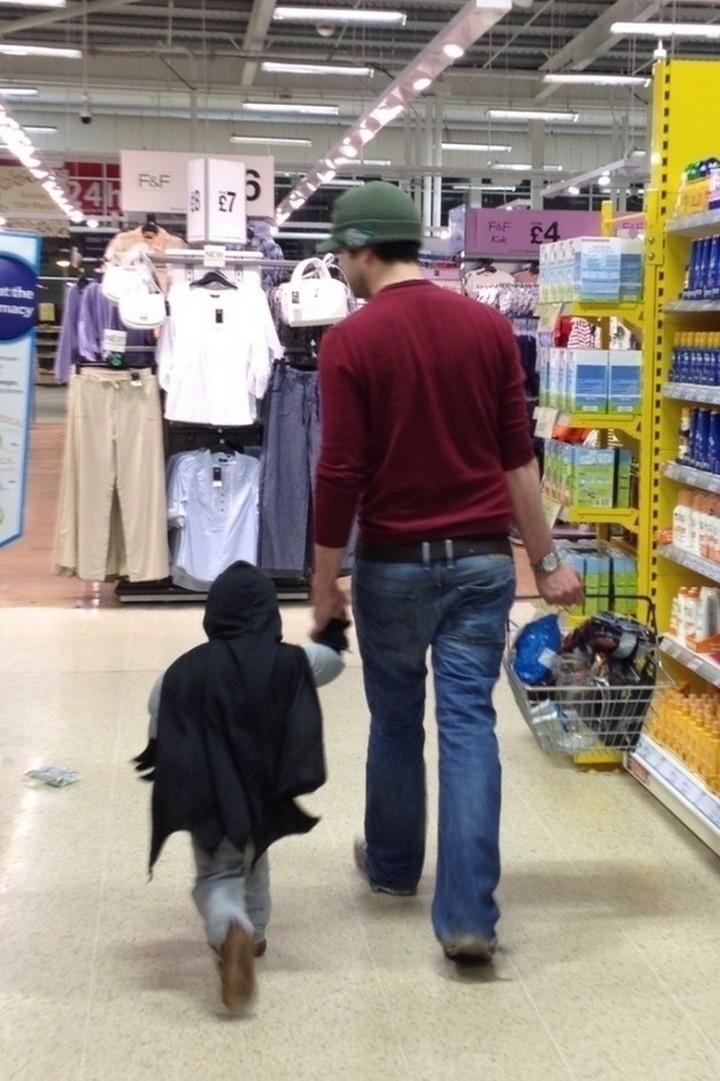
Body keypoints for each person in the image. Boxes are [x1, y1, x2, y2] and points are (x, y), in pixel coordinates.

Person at [310, 181, 584, 965]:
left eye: (340, 255)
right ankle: (467, 915)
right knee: (467, 723)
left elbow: (340, 472)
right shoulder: (487, 327)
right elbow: (516, 460)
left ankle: (395, 866)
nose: (340, 269)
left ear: (363, 249)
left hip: (393, 564)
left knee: (396, 719)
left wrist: (325, 580)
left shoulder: (350, 341)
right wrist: (547, 560)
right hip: (479, 564)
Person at [133, 560, 347, 1010]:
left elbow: (158, 711)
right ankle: (257, 935)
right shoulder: (289, 662)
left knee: (218, 873)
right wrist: (332, 627)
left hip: (208, 792)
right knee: (254, 854)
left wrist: (163, 755)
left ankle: (232, 928)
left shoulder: (183, 670)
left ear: (213, 615)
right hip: (262, 787)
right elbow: (329, 663)